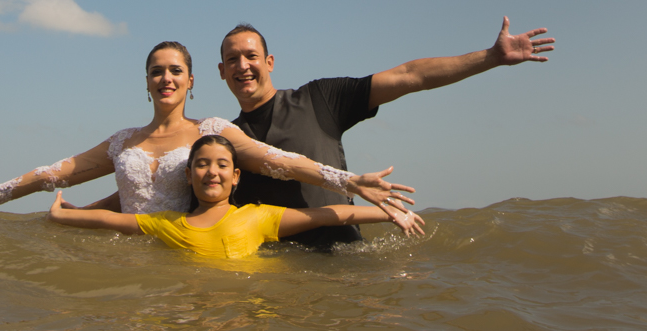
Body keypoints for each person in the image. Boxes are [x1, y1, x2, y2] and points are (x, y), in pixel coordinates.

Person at [0, 41, 416, 226]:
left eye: (175, 71)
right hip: (118, 252)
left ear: (191, 81)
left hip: (185, 252)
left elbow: (279, 160)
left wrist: (348, 181)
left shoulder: (212, 133)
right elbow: (56, 173)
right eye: (156, 72)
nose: (165, 79)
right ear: (146, 81)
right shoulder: (121, 141)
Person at [220, 17, 555, 247]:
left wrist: (491, 57)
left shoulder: (318, 99)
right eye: (232, 59)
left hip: (347, 258)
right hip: (281, 275)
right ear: (222, 71)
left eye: (251, 56)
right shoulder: (224, 143)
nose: (243, 66)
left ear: (270, 62)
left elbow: (410, 76)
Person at [47, 135, 425, 259]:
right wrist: (63, 215)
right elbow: (112, 220)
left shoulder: (258, 217)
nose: (212, 172)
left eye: (222, 165)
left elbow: (328, 215)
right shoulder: (166, 225)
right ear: (188, 175)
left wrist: (391, 214)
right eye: (202, 165)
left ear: (236, 176)